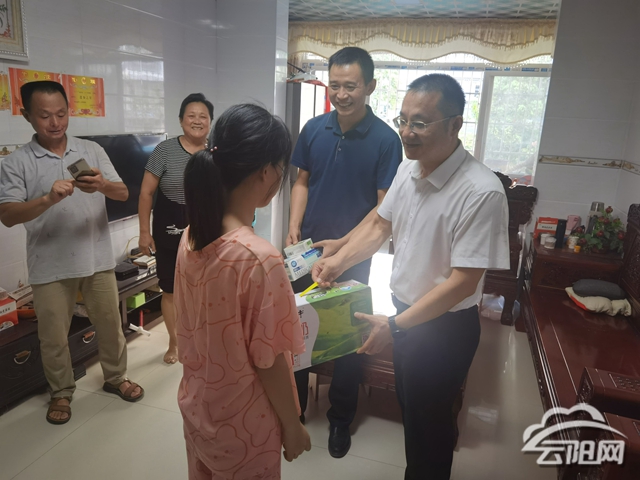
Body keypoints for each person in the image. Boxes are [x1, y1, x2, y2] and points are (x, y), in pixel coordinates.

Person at [312, 74, 510, 479]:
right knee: (413, 415)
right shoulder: (408, 169)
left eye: (419, 123)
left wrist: (394, 326)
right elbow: (379, 225)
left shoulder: (481, 191)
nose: (406, 131)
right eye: (402, 120)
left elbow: (463, 282)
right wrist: (340, 258)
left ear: (455, 125)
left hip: (444, 329)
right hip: (405, 315)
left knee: (430, 428)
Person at [175, 104, 311, 480]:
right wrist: (293, 425)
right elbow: (270, 361)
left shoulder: (191, 236)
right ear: (266, 171)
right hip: (244, 423)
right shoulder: (259, 258)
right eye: (281, 167)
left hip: (198, 409)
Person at [0, 81, 144, 425]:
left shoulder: (90, 150)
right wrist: (47, 199)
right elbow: (7, 215)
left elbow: (123, 193)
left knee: (110, 325)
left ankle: (116, 377)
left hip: (97, 259)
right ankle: (61, 392)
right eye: (45, 115)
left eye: (61, 114)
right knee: (53, 337)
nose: (55, 123)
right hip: (49, 265)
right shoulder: (17, 162)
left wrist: (102, 185)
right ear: (27, 116)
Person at [286, 46, 402, 458]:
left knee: (348, 338)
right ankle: (295, 412)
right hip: (307, 252)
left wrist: (346, 246)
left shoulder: (386, 140)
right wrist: (294, 225)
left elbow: (383, 207)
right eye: (334, 85)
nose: (341, 94)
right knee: (295, 330)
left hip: (356, 255)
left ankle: (340, 419)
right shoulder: (313, 129)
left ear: (370, 86)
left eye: (350, 86)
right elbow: (302, 181)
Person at [138, 93, 213, 364]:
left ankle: (204, 338)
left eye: (203, 116)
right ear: (181, 120)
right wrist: (144, 232)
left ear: (210, 122)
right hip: (169, 227)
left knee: (206, 288)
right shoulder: (164, 151)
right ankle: (175, 342)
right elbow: (146, 193)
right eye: (191, 116)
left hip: (207, 229)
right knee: (170, 289)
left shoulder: (217, 152)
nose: (197, 121)